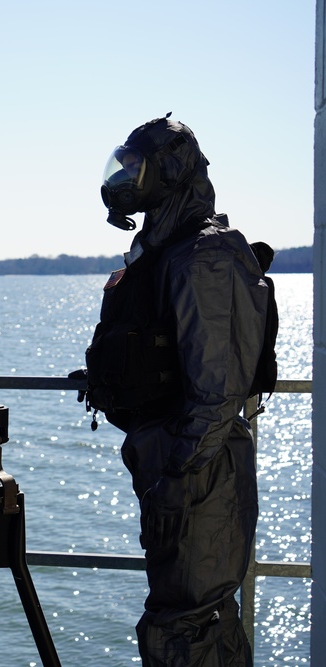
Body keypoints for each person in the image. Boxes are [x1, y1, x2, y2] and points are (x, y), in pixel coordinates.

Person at [79, 115, 270, 665]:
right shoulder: (167, 248)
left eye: (137, 169)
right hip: (173, 459)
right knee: (181, 616)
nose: (125, 180)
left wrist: (179, 479)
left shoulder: (204, 254)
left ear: (170, 174)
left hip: (197, 470)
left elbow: (217, 390)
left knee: (188, 623)